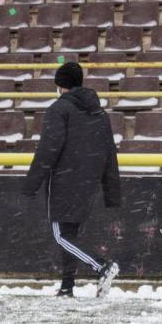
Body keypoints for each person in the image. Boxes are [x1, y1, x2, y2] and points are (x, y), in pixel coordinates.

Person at [22, 62, 120, 298]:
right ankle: (67, 286)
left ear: (59, 85)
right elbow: (109, 150)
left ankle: (101, 266)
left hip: (64, 181)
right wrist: (111, 190)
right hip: (89, 182)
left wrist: (31, 183)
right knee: (71, 235)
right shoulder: (99, 111)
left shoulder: (59, 109)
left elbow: (48, 149)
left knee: (60, 235)